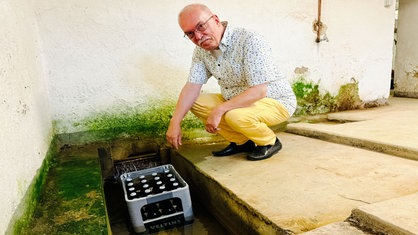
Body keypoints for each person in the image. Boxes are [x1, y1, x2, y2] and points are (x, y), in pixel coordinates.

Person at [166, 3, 296, 161]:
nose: (198, 37)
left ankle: (269, 142)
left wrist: (219, 110)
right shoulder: (201, 51)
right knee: (194, 101)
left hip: (274, 100)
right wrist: (175, 121)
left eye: (201, 27)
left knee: (234, 115)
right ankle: (242, 142)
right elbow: (192, 86)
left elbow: (259, 91)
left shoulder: (249, 40)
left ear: (215, 20)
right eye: (190, 34)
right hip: (235, 100)